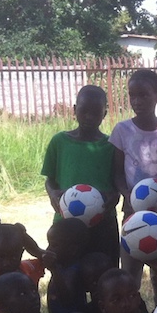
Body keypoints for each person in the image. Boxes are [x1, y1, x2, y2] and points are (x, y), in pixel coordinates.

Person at [42, 84, 122, 265]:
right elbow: (50, 179)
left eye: (95, 112)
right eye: (84, 111)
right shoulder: (59, 142)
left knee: (104, 272)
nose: (89, 117)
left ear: (104, 114)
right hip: (65, 224)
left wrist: (114, 196)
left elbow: (117, 181)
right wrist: (53, 193)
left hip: (102, 222)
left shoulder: (110, 145)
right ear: (74, 110)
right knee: (65, 273)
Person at [111, 69, 157, 215]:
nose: (137, 102)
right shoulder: (122, 130)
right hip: (133, 207)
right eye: (132, 96)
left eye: (143, 95)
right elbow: (117, 172)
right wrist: (127, 194)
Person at [44, 217, 90, 313]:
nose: (48, 249)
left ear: (72, 250)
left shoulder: (74, 271)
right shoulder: (61, 265)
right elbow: (37, 252)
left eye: (54, 245)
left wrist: (54, 270)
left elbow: (66, 301)